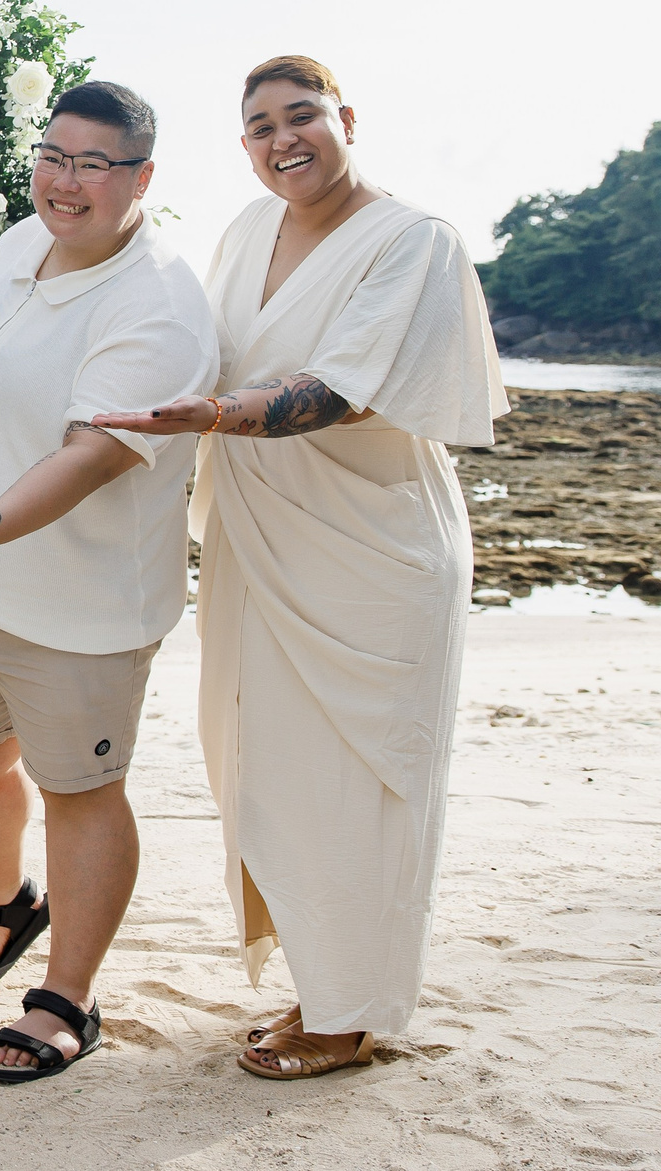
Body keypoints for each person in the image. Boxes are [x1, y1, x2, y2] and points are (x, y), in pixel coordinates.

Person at [93, 55, 503, 1081]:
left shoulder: (414, 241)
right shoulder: (243, 231)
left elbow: (344, 391)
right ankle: (324, 984)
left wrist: (218, 416)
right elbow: (196, 352)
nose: (283, 139)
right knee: (271, 775)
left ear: (345, 119)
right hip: (258, 541)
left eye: (301, 116)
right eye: (260, 126)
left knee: (360, 782)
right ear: (243, 145)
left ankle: (350, 1012)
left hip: (373, 552)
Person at [0, 82, 217, 1083]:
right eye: (52, 157)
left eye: (92, 166)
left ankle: (69, 996)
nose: (64, 183)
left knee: (80, 790)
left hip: (77, 608)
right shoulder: (23, 238)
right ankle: (4, 905)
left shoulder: (157, 303)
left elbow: (93, 454)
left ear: (142, 177)